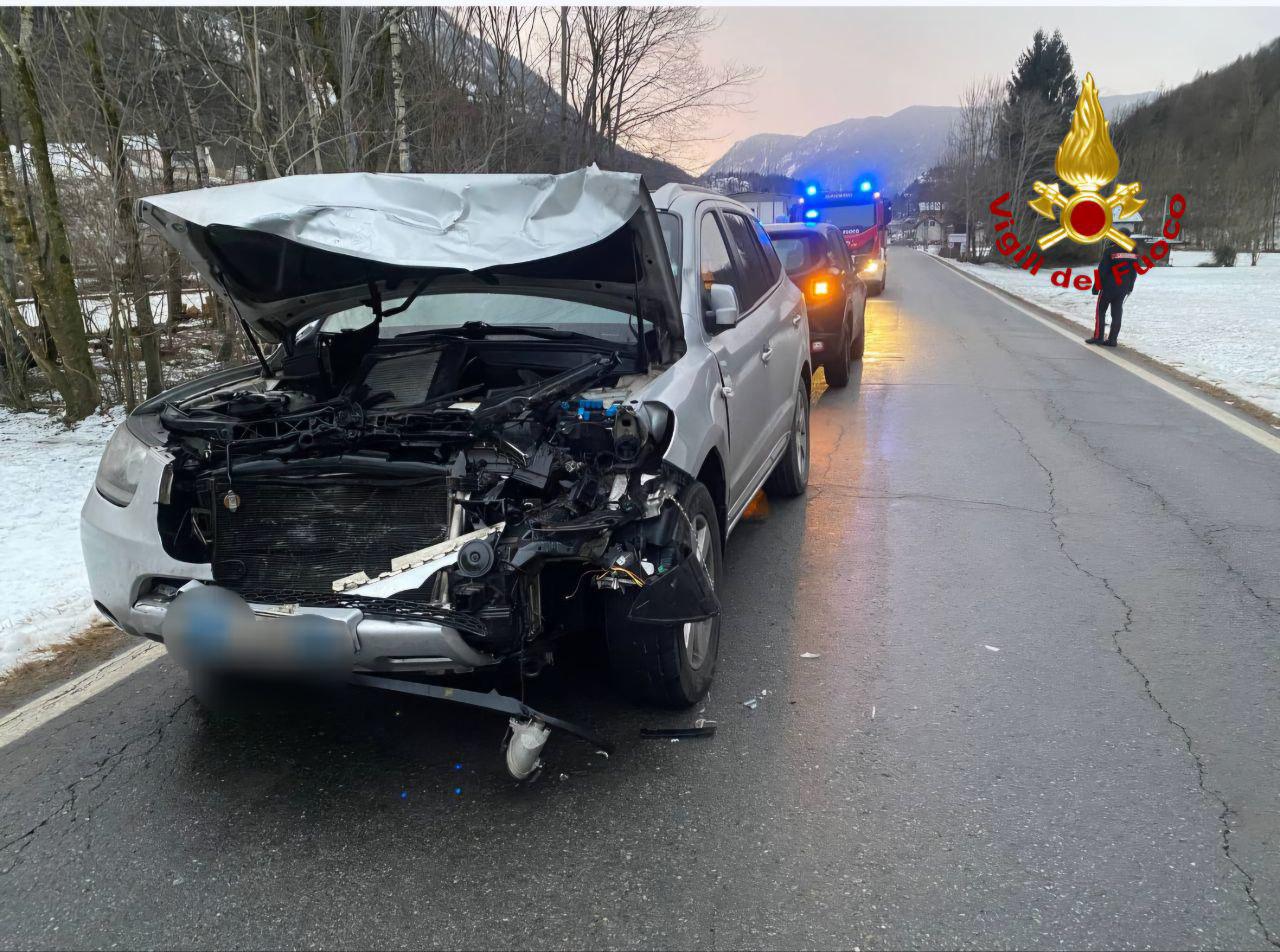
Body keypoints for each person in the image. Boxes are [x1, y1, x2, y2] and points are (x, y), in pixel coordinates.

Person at [1086, 228, 1140, 346]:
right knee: (1117, 313)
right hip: (1123, 287)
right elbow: (1134, 271)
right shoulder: (1133, 250)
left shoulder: (1110, 250)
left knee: (1101, 311)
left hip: (1108, 286)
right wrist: (1130, 286)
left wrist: (1096, 287)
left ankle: (1098, 337)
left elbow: (1102, 271)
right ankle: (1112, 340)